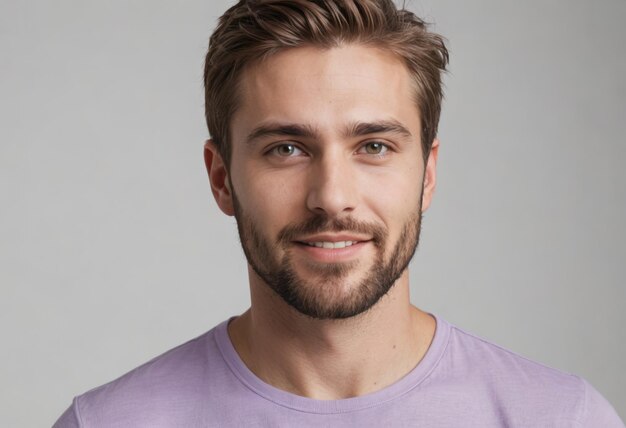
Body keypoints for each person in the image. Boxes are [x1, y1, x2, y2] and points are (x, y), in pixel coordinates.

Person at [54, 1, 624, 426]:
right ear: (221, 177)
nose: (331, 196)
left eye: (373, 146)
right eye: (286, 148)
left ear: (426, 174)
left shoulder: (562, 418)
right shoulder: (108, 423)